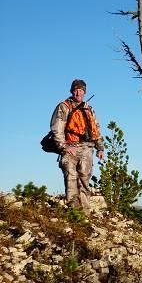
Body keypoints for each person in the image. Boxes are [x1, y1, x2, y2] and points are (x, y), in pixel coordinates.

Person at [50, 79, 104, 213]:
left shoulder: (89, 109)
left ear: (84, 92)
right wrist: (64, 147)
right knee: (71, 176)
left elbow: (95, 128)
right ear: (71, 91)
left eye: (81, 90)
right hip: (70, 147)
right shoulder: (64, 106)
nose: (78, 92)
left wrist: (100, 147)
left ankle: (84, 211)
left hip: (87, 147)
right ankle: (74, 211)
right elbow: (57, 128)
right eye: (76, 90)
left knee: (85, 178)